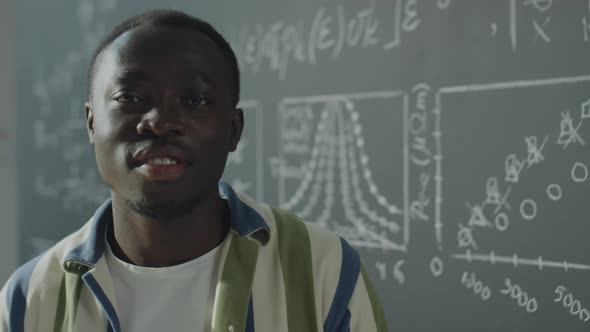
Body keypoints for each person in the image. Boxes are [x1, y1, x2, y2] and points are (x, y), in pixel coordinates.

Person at [0, 9, 387, 332]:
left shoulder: (324, 272)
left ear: (233, 130)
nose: (160, 121)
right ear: (90, 124)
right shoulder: (30, 299)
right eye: (129, 97)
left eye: (195, 99)